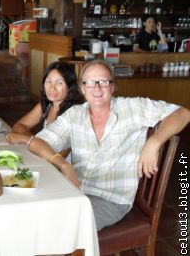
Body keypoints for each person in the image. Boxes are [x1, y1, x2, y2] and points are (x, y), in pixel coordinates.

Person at [28, 59, 190, 231]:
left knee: (61, 227)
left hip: (111, 199)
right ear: (82, 89)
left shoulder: (132, 108)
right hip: (74, 189)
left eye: (103, 82)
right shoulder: (74, 114)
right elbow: (37, 142)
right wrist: (63, 164)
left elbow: (183, 113)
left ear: (112, 87)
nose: (96, 88)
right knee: (33, 213)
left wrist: (154, 142)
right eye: (90, 82)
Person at [6, 61, 84, 146]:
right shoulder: (47, 105)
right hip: (42, 158)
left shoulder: (73, 113)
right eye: (49, 81)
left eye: (59, 83)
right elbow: (19, 126)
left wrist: (27, 140)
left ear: (70, 87)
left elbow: (59, 152)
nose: (52, 88)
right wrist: (33, 142)